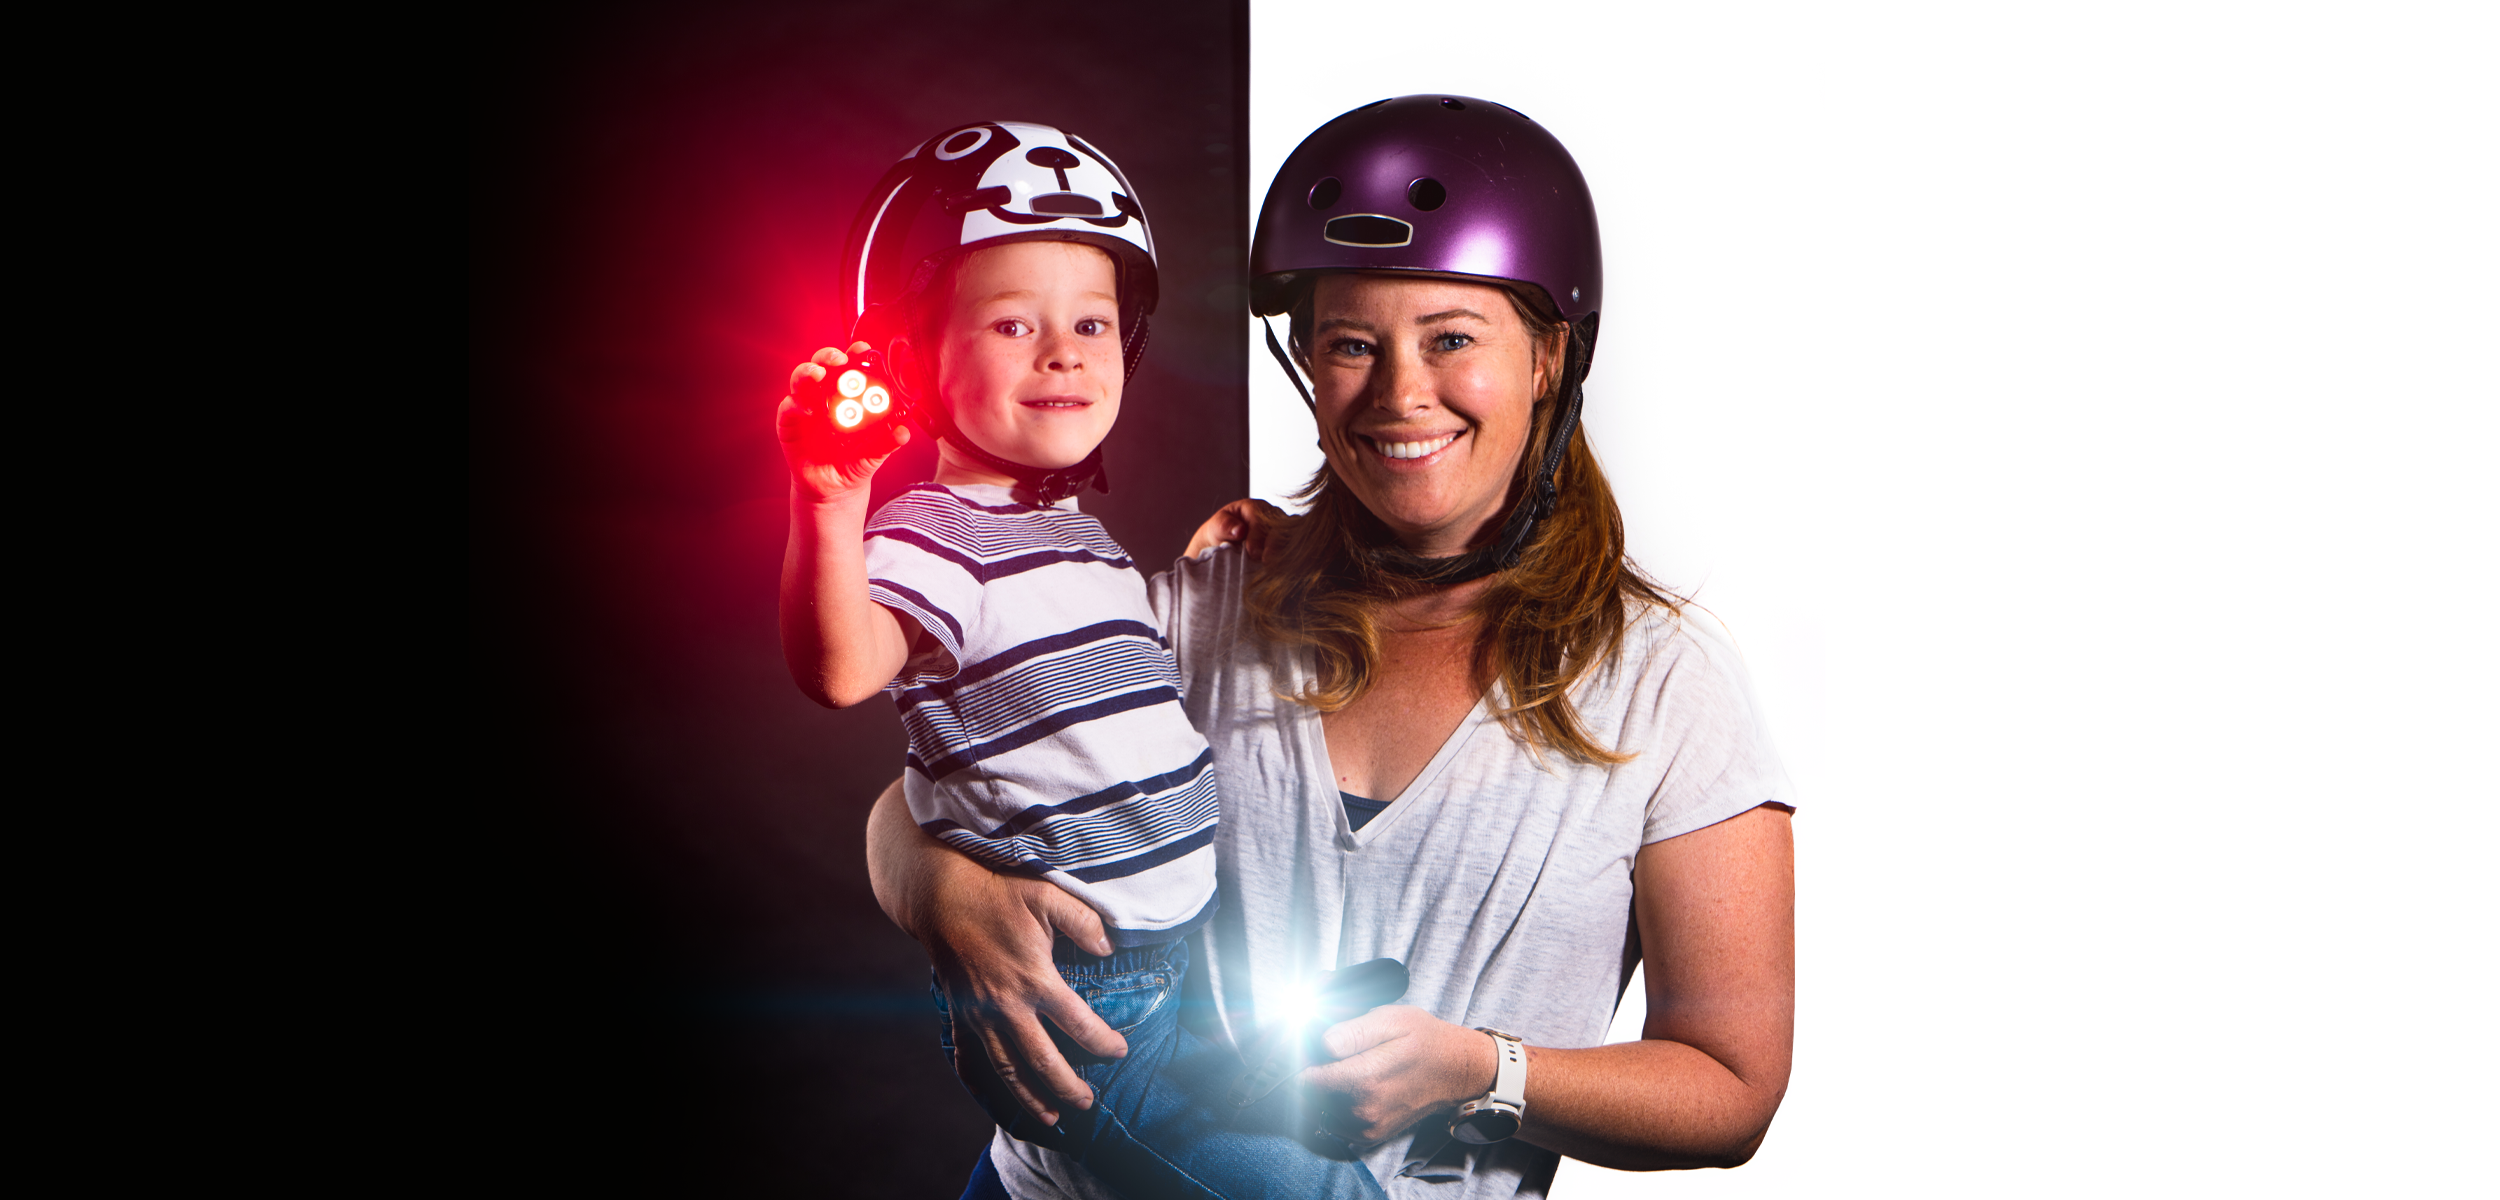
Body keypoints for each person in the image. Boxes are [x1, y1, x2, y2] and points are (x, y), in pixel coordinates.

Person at [868, 95, 1799, 1199]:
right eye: (1350, 344)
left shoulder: (1663, 688)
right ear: (1305, 365)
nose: (1401, 393)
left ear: (1549, 355)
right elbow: (931, 792)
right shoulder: (1202, 610)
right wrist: (938, 889)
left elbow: (1729, 1091)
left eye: (1452, 338)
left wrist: (1479, 1070)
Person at [778, 121, 1387, 1199]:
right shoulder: (931, 538)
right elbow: (841, 667)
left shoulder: (1075, 536)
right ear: (916, 358)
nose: (1061, 350)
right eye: (1012, 323)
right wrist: (829, 503)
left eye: (1092, 323)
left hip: (1190, 957)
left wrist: (1198, 567)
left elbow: (1096, 688)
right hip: (1098, 1006)